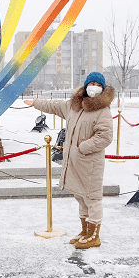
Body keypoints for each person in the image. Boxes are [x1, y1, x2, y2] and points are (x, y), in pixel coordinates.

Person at [24, 72, 114, 249]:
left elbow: (105, 137)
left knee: (92, 199)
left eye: (98, 84)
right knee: (80, 197)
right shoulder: (74, 106)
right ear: (86, 85)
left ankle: (94, 235)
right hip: (75, 163)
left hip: (90, 163)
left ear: (102, 88)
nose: (94, 87)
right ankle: (85, 231)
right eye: (91, 83)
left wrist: (82, 148)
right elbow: (54, 106)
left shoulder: (102, 111)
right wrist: (36, 103)